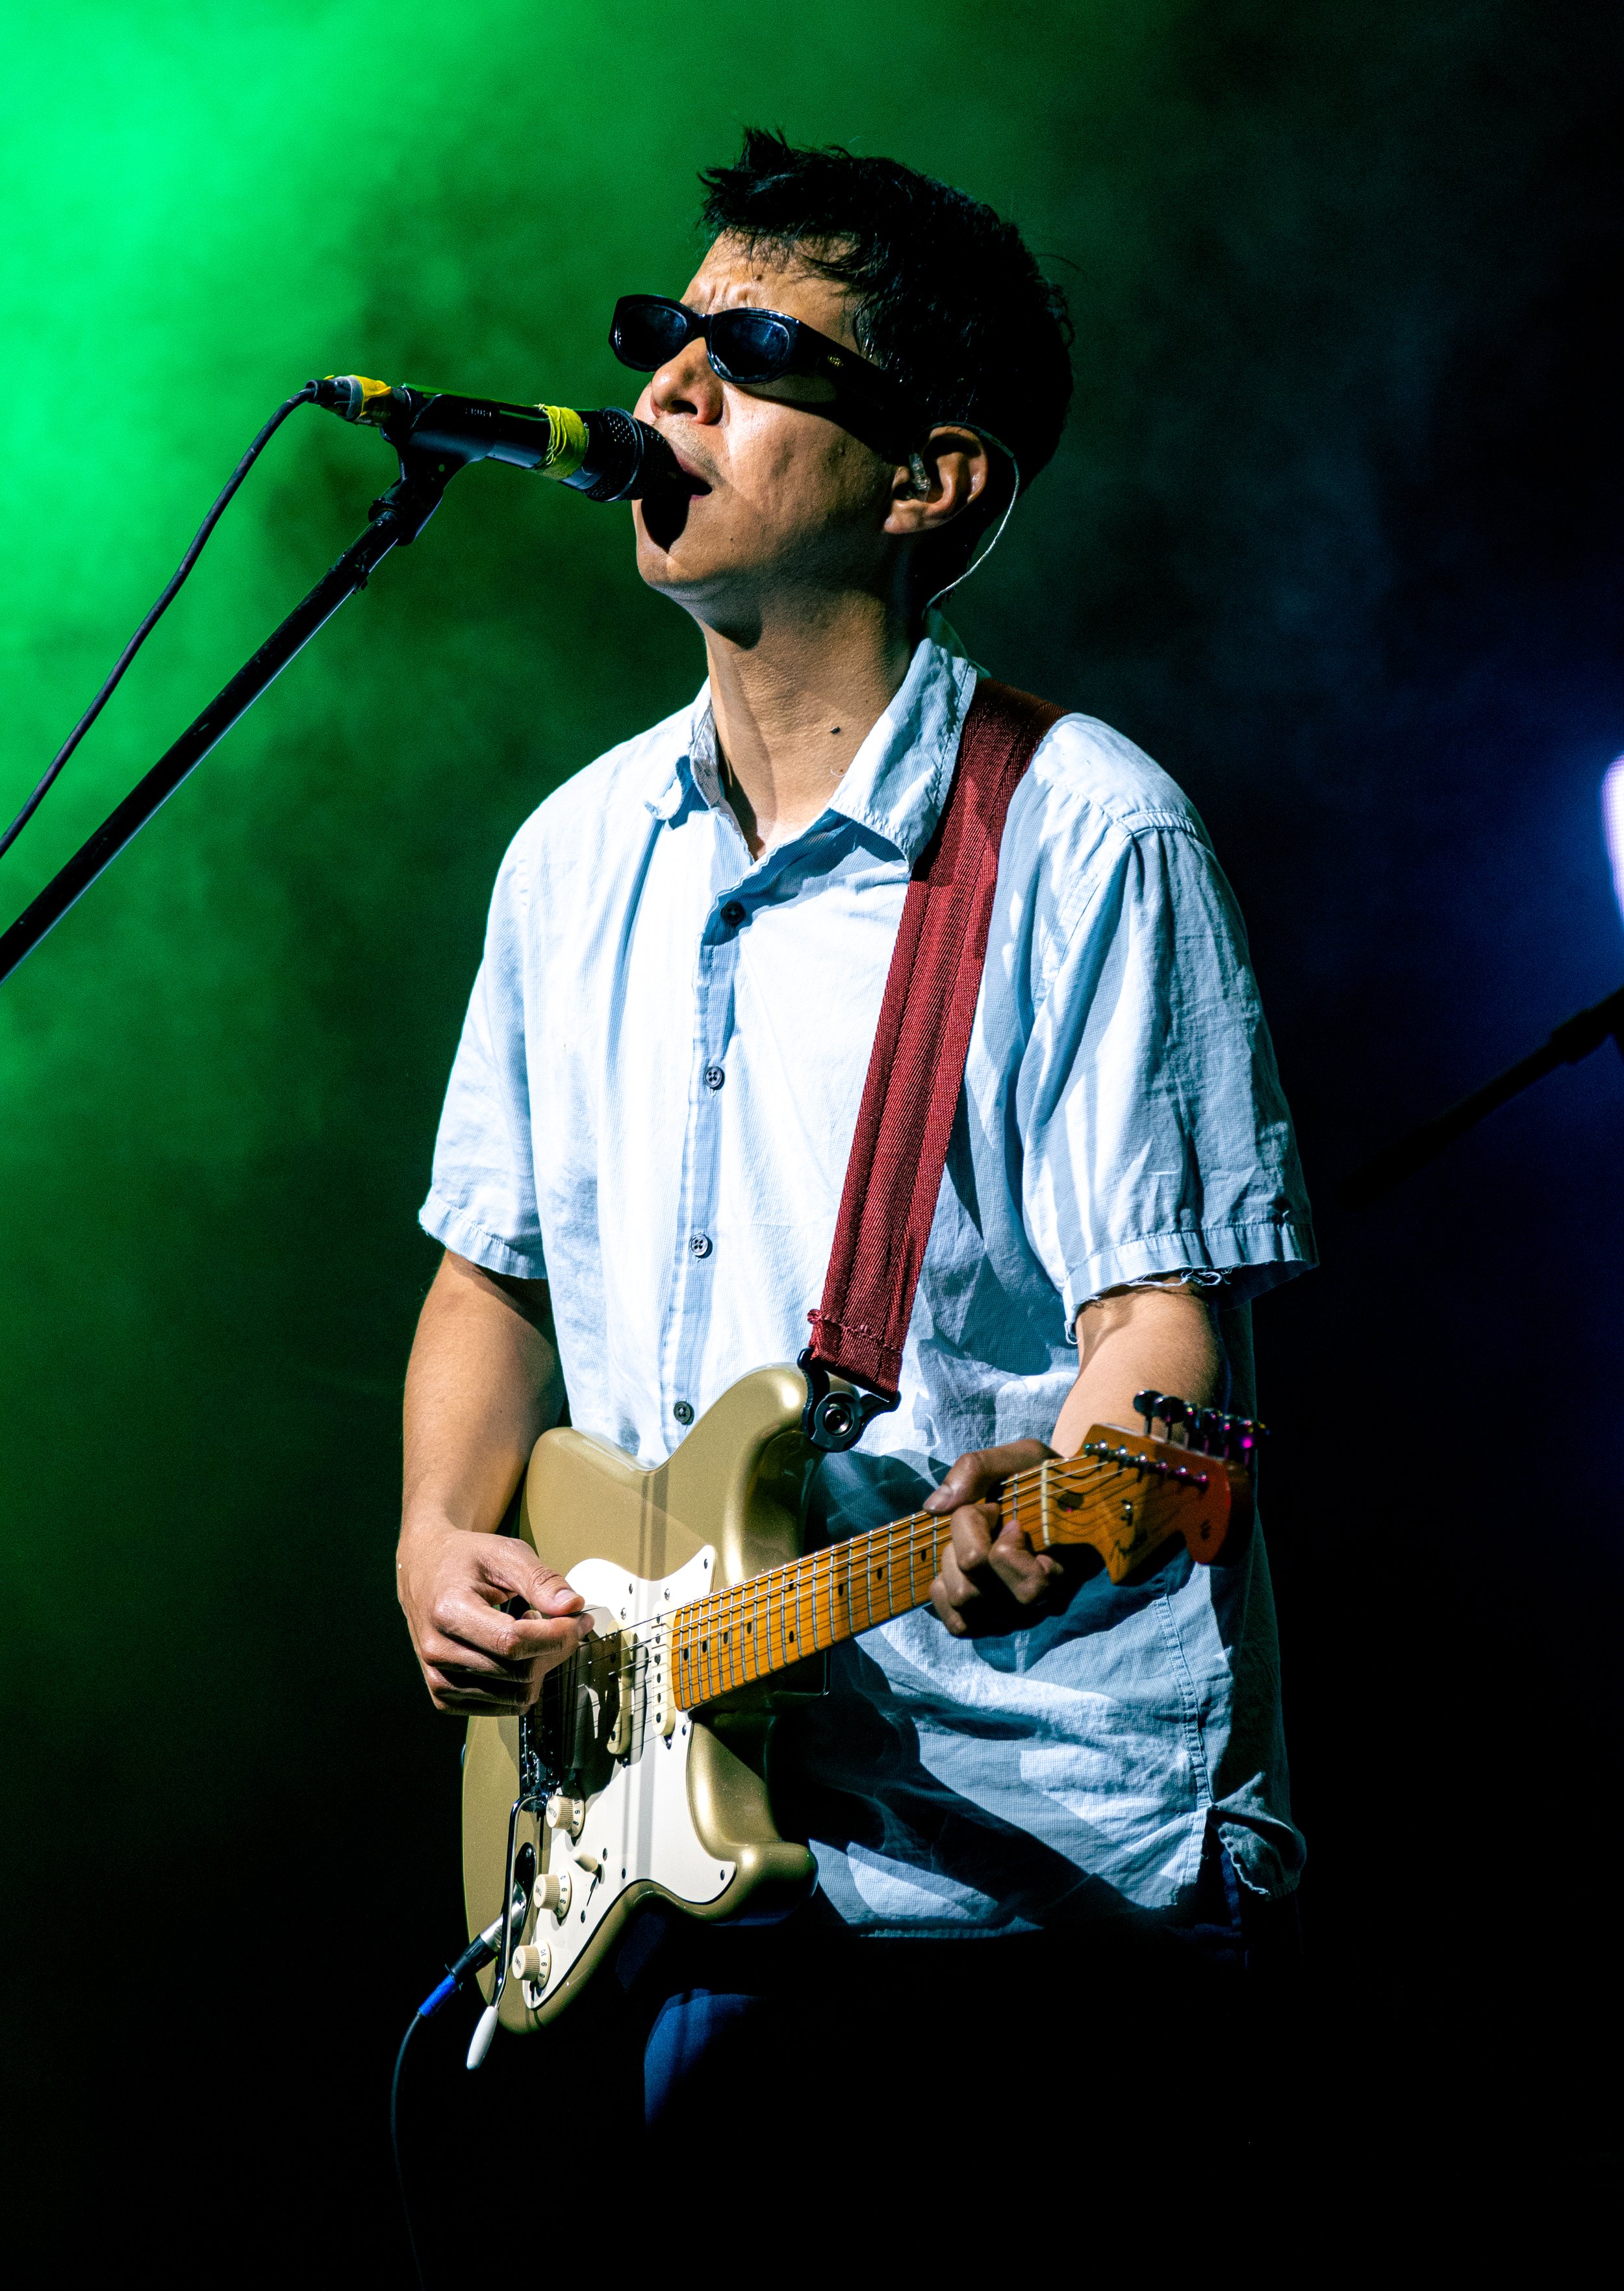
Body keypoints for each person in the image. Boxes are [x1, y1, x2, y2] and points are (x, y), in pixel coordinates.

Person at [396, 130, 1315, 2156]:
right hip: (686, 1874)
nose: (664, 390)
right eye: (663, 337)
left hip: (1031, 1891)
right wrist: (434, 1541)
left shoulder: (1085, 839)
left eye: (749, 351)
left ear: (929, 480)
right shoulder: (569, 857)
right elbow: (489, 1274)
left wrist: (1057, 1513)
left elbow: (1162, 1342)